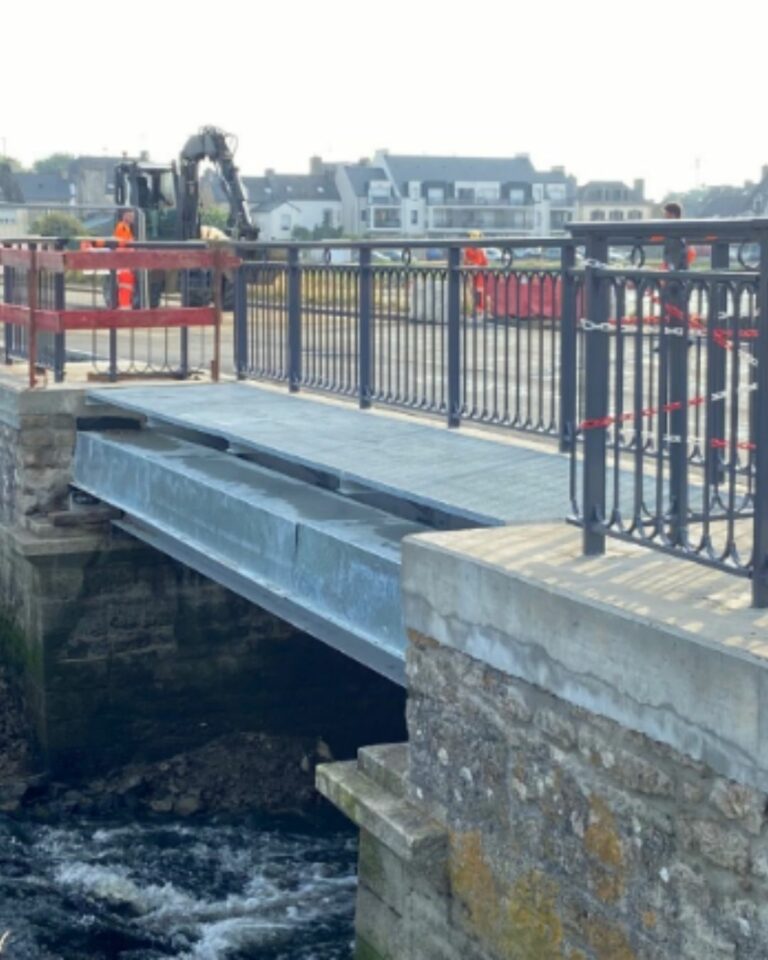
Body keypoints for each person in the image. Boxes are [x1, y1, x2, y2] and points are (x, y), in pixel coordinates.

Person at [463, 230, 490, 316]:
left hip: (479, 274)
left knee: (479, 291)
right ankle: (475, 309)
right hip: (471, 274)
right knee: (473, 292)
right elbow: (466, 262)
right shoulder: (468, 250)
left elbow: (485, 263)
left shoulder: (480, 251)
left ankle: (479, 309)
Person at [113, 209, 136, 308]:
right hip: (124, 262)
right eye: (130, 215)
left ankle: (125, 306)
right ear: (124, 216)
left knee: (126, 286)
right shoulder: (122, 228)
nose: (132, 218)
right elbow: (124, 245)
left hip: (125, 262)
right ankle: (124, 307)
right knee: (125, 285)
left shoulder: (126, 228)